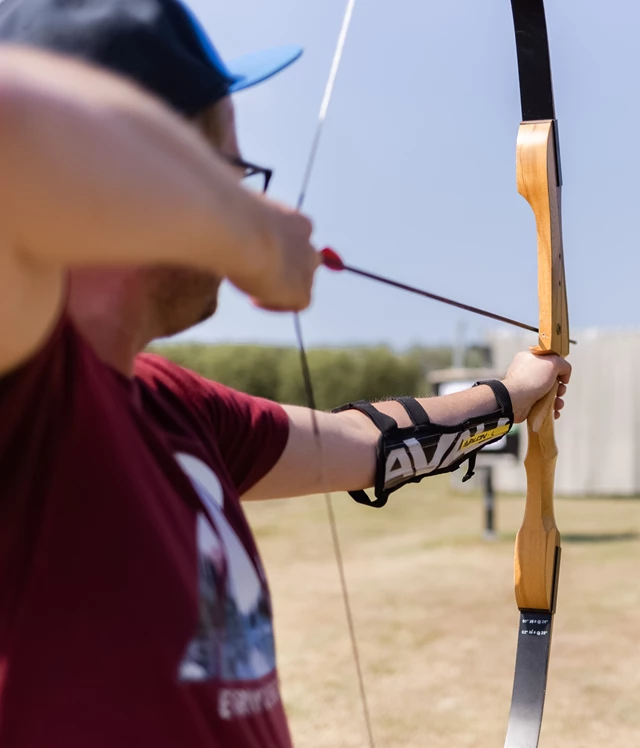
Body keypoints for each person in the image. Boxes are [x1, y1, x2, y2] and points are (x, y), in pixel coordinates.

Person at [0, 0, 571, 745]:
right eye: (229, 171)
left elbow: (359, 443)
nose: (248, 196)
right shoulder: (26, 395)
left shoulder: (175, 407)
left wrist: (512, 394)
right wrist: (249, 236)